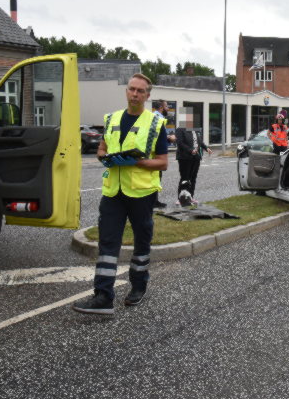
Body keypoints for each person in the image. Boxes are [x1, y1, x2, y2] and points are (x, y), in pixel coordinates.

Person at [72, 73, 169, 315]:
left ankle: (138, 286)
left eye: (140, 91)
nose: (135, 94)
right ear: (126, 91)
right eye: (131, 89)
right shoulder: (112, 119)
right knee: (107, 241)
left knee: (141, 240)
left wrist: (135, 162)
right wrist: (103, 156)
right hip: (113, 191)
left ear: (147, 96)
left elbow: (163, 162)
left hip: (141, 192)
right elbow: (102, 148)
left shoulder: (156, 124)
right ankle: (103, 295)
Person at [175, 127, 212, 205]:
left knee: (193, 178)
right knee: (185, 178)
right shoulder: (180, 130)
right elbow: (180, 143)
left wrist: (206, 148)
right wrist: (190, 150)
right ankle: (181, 198)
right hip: (184, 157)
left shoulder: (194, 129)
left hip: (196, 157)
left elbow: (199, 141)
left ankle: (190, 197)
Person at [150, 100, 176, 208]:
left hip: (154, 153)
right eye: (166, 106)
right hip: (155, 154)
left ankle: (154, 201)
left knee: (156, 177)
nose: (168, 108)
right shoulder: (158, 118)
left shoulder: (154, 116)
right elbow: (158, 136)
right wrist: (170, 138)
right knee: (155, 178)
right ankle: (153, 202)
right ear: (161, 107)